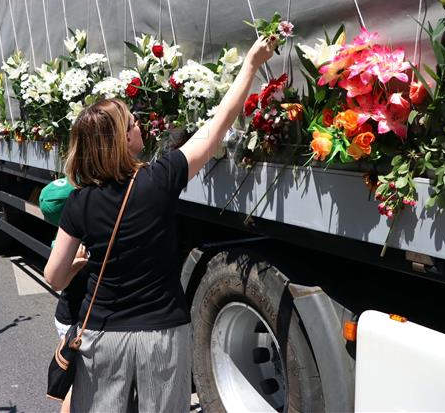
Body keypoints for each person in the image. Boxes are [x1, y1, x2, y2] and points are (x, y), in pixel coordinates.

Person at [44, 37, 274, 411]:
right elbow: (216, 128)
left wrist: (82, 263)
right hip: (162, 332)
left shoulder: (78, 202)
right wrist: (249, 66)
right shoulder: (159, 179)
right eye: (133, 124)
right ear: (122, 139)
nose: (141, 129)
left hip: (103, 334)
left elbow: (54, 277)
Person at [39, 178, 88, 413]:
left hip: (68, 317)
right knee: (77, 385)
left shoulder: (63, 241)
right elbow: (58, 282)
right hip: (73, 320)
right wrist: (77, 264)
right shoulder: (75, 248)